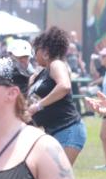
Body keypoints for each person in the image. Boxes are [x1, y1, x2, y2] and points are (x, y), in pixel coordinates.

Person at [26, 27, 86, 165]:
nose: (34, 55)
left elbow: (64, 86)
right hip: (53, 132)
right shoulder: (41, 73)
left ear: (46, 52)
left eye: (36, 51)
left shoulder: (56, 64)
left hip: (68, 129)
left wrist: (39, 105)